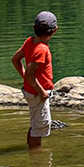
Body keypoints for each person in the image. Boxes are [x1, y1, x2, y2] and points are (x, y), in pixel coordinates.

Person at [11, 11, 58, 150]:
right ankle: (36, 157)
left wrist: (25, 77)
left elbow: (15, 60)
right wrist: (41, 91)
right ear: (54, 31)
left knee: (35, 124)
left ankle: (30, 148)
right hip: (37, 93)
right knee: (39, 127)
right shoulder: (42, 49)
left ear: (34, 28)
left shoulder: (30, 41)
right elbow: (31, 73)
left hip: (31, 90)